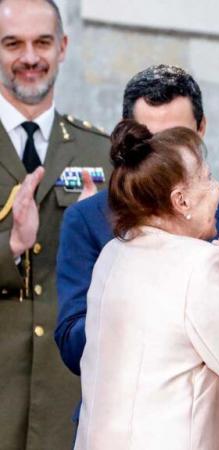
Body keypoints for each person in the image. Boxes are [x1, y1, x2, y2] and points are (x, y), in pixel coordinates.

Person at [54, 64, 219, 449]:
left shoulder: (116, 250)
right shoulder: (97, 224)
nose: (163, 159)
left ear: (201, 129)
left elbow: (208, 322)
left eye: (178, 140)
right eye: (154, 143)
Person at [0, 1, 111, 448]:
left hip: (67, 392)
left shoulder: (100, 152)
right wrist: (10, 247)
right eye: (13, 44)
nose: (30, 57)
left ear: (62, 47)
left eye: (42, 42)